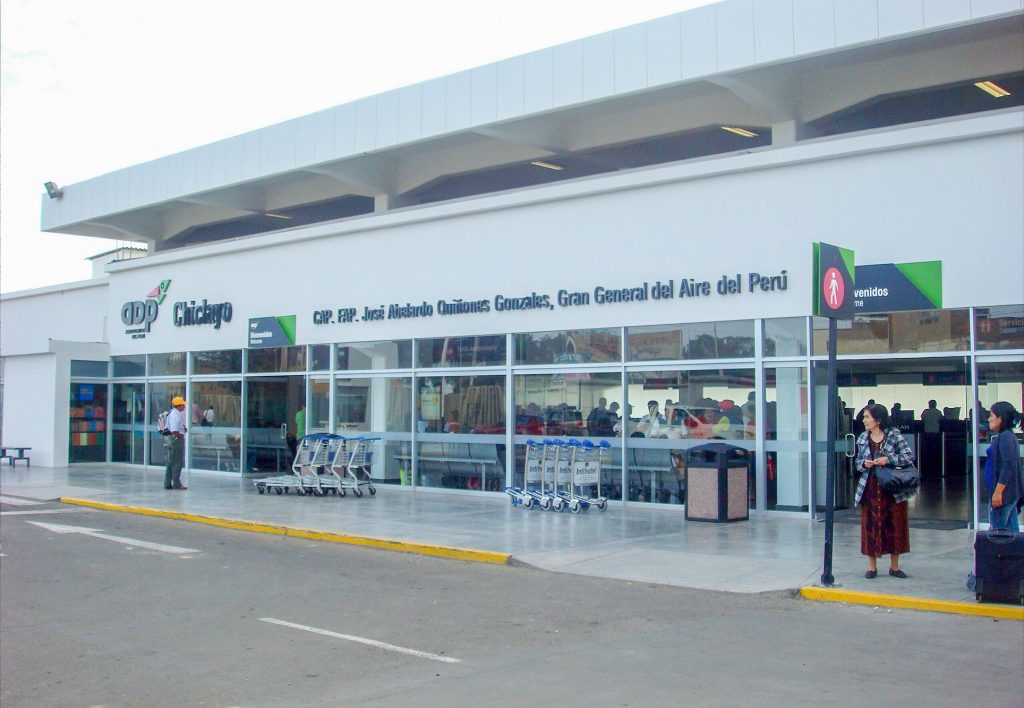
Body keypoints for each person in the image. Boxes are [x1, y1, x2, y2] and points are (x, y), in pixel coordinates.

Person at [854, 404, 915, 579]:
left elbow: (908, 456)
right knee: (870, 525)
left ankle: (894, 567)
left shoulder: (894, 436)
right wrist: (864, 464)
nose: (864, 420)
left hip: (892, 487)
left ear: (878, 419)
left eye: (867, 417)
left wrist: (887, 459)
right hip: (871, 487)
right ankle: (871, 567)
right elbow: (858, 462)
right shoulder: (863, 438)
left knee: (895, 524)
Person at [985, 401, 1023, 532]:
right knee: (1012, 532)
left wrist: (998, 492)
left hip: (1004, 496)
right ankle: (1016, 552)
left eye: (991, 415)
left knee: (999, 534)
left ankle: (1002, 553)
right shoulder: (1005, 436)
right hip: (1007, 495)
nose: (989, 419)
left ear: (1000, 418)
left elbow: (1008, 467)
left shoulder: (1006, 438)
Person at [164, 396, 188, 490]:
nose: (184, 406)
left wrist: (183, 429)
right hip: (176, 440)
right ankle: (177, 484)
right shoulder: (175, 415)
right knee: (177, 462)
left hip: (173, 439)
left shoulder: (174, 413)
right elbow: (174, 430)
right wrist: (180, 436)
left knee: (171, 462)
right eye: (183, 404)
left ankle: (167, 483)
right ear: (178, 405)